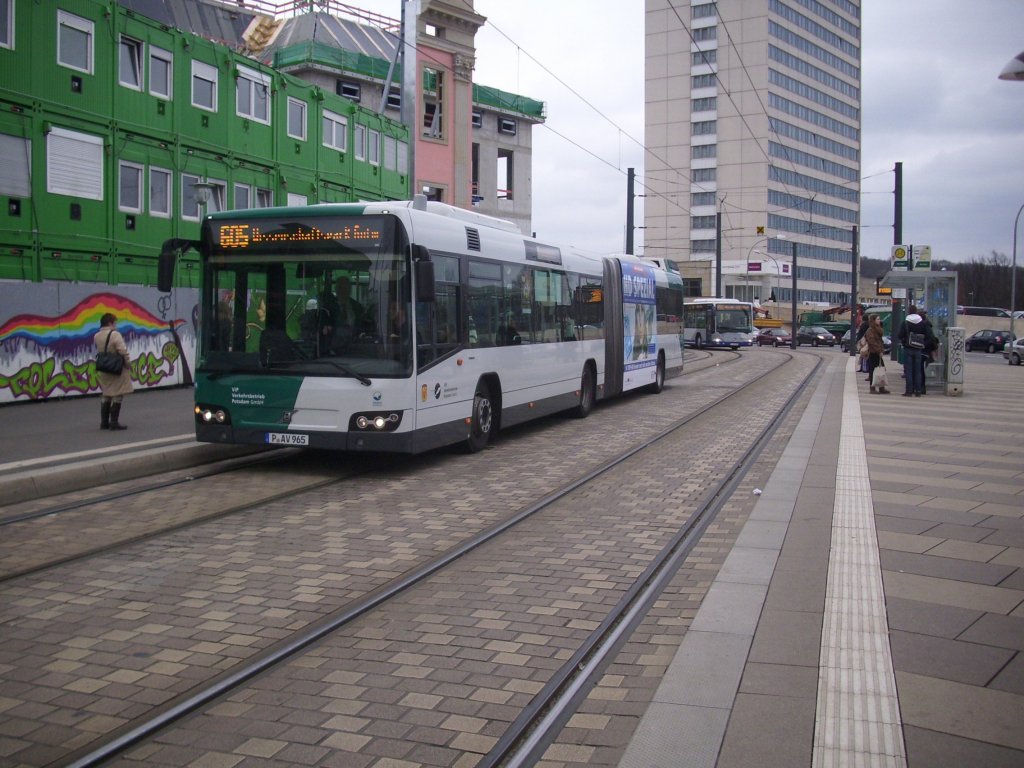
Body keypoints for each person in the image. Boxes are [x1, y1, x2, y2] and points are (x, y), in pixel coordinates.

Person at [93, 312, 133, 430]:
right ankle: (114, 422)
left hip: (104, 367)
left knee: (106, 394)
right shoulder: (115, 334)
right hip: (115, 367)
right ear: (110, 322)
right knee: (118, 394)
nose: (116, 325)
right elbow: (122, 350)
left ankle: (104, 422)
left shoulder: (97, 335)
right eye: (115, 322)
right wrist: (128, 363)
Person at [896, 305, 935, 397]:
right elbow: (930, 337)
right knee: (918, 370)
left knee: (909, 370)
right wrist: (922, 343)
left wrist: (905, 339)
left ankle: (909, 391)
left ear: (909, 312)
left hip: (908, 348)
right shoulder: (923, 323)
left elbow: (899, 335)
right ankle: (918, 390)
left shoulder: (905, 323)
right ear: (916, 311)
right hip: (918, 349)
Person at [865, 314, 890, 394]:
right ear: (873, 320)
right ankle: (872, 388)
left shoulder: (878, 329)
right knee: (873, 370)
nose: (879, 320)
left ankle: (881, 387)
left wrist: (881, 350)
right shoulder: (870, 330)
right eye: (878, 319)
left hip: (878, 352)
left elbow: (880, 341)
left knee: (882, 368)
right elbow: (872, 342)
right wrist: (879, 351)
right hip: (873, 353)